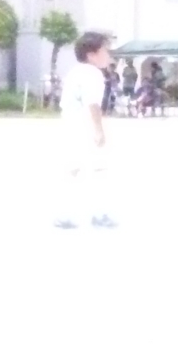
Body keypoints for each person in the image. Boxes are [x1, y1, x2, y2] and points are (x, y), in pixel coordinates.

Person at [55, 31, 117, 229]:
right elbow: (93, 104)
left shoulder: (76, 72)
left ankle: (65, 215)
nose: (108, 55)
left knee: (73, 169)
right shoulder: (93, 74)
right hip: (84, 125)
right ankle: (99, 214)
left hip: (70, 123)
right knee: (99, 169)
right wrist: (99, 130)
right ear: (91, 55)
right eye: (105, 51)